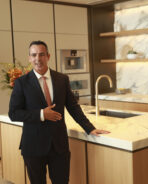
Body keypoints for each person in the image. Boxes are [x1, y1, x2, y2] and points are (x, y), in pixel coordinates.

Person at [8, 40, 109, 184]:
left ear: (48, 56)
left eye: (41, 54)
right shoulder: (21, 83)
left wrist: (90, 128)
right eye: (34, 55)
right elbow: (14, 113)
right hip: (33, 146)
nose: (38, 59)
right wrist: (42, 114)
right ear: (29, 58)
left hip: (59, 145)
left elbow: (73, 107)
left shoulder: (62, 79)